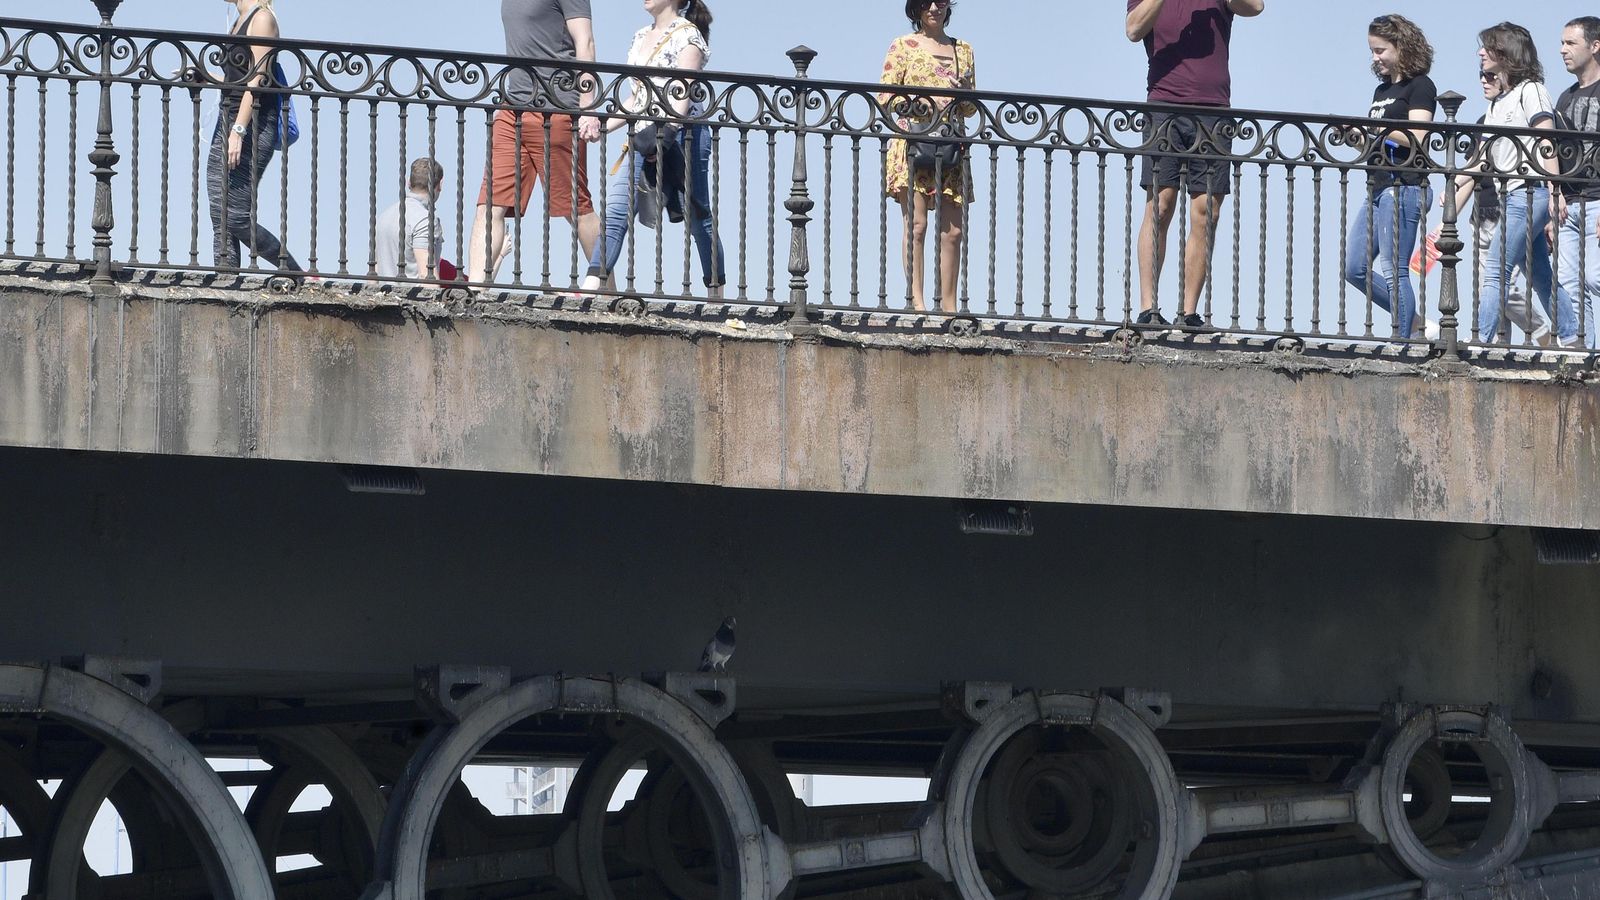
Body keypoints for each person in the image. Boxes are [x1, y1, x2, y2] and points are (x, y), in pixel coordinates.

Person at [1126, 0, 1265, 329]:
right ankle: (1148, 309)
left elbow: (1255, 7)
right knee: (1160, 205)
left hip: (1214, 109)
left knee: (1207, 213)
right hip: (1163, 104)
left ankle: (1189, 313)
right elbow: (1133, 29)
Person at [578, 0, 725, 297]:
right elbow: (638, 99)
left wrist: (666, 136)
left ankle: (716, 291)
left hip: (684, 136)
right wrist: (602, 125)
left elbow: (682, 96)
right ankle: (591, 286)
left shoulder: (688, 35)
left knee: (698, 217)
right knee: (618, 209)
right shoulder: (640, 36)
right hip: (643, 136)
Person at [466, 0, 603, 287]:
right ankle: (474, 290)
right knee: (489, 203)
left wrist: (588, 107)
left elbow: (585, 41)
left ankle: (607, 289)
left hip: (556, 109)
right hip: (512, 109)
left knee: (575, 208)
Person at [1472, 22, 1574, 346]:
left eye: (1487, 47)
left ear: (1506, 53)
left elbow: (1547, 140)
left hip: (1529, 192)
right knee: (1539, 275)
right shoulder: (1496, 103)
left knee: (1496, 270)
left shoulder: (1531, 90)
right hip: (1512, 195)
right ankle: (1573, 340)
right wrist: (1453, 182)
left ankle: (1480, 342)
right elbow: (1482, 158)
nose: (1480, 53)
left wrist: (1555, 190)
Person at [879, 0, 977, 313]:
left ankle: (949, 309)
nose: (934, 7)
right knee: (917, 225)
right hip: (913, 143)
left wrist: (965, 93)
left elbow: (971, 109)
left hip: (951, 146)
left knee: (953, 232)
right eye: (926, 2)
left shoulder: (963, 50)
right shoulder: (902, 46)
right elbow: (885, 96)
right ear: (916, 8)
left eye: (941, 1)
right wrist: (919, 104)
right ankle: (917, 303)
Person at [1343, 14, 1436, 341]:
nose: (1375, 58)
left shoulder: (1421, 85)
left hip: (1406, 185)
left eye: (1381, 50)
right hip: (1378, 186)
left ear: (1402, 47)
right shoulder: (1381, 90)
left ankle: (1404, 343)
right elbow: (1380, 138)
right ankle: (1415, 323)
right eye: (1372, 51)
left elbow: (1418, 138)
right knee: (1354, 268)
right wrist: (1357, 135)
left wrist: (1376, 129)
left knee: (1395, 272)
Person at [1446, 71, 1544, 344]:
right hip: (1481, 216)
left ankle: (1540, 332)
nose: (1483, 80)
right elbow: (1472, 173)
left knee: (1501, 283)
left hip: (1509, 208)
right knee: (1486, 288)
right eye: (1480, 75)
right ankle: (1497, 348)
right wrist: (1450, 212)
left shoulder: (1521, 116)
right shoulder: (1483, 122)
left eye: (1489, 75)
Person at [209, 0, 302, 274]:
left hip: (254, 123)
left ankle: (296, 274)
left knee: (236, 216)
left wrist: (239, 130)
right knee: (220, 214)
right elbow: (238, 80)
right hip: (229, 119)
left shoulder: (262, 19)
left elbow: (258, 79)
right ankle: (225, 282)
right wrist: (207, 78)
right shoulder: (239, 22)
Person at [1552, 16, 1600, 349]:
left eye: (1570, 43)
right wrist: (1553, 199)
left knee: (1595, 279)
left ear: (1595, 46)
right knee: (1570, 285)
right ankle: (1584, 361)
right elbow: (1549, 153)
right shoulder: (1564, 99)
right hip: (1569, 206)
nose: (1562, 50)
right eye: (1562, 43)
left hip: (1599, 201)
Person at [375, 158, 453, 282]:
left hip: (385, 295)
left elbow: (375, 270)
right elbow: (426, 275)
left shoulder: (384, 216)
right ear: (439, 185)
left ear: (408, 182)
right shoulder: (424, 220)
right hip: (411, 299)